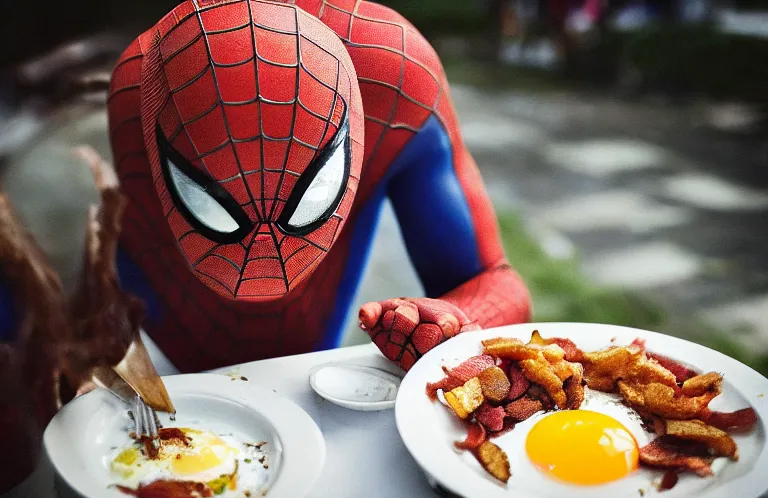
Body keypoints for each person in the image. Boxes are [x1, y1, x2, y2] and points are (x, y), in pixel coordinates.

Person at [0, 0, 532, 377]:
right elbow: (136, 251)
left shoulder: (393, 76)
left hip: (299, 372)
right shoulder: (142, 84)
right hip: (165, 360)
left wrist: (458, 323)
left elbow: (495, 282)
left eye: (307, 199)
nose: (260, 253)